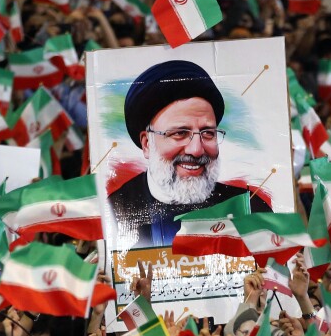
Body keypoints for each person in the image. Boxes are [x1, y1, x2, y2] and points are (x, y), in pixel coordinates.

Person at [107, 60, 271, 248]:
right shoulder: (114, 212)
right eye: (179, 133)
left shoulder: (249, 209)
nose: (196, 149)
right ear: (146, 144)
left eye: (207, 133)